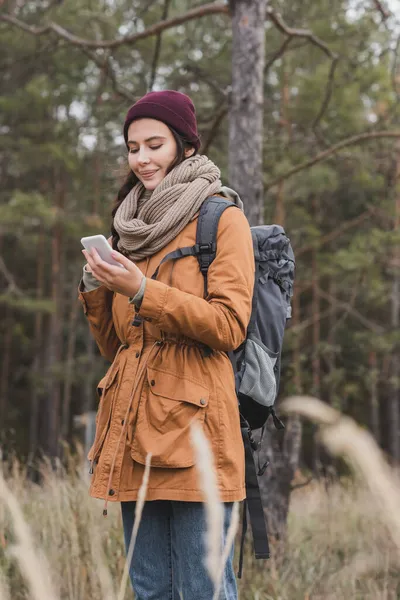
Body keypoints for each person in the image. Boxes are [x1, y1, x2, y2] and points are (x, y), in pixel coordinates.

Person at [79, 90, 254, 600]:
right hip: (134, 436)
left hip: (197, 434)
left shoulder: (221, 219)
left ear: (183, 144)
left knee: (203, 589)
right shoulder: (128, 228)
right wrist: (97, 287)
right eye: (133, 148)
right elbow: (119, 348)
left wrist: (141, 289)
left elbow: (228, 326)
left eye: (154, 144)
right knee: (151, 589)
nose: (142, 159)